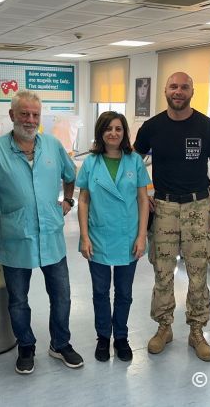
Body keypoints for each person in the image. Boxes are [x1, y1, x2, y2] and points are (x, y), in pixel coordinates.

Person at [0, 90, 83, 374]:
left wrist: (68, 200)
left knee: (62, 296)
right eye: (24, 114)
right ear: (12, 115)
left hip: (51, 236)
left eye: (35, 114)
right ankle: (25, 346)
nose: (30, 120)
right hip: (15, 238)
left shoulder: (53, 146)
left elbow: (70, 175)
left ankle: (60, 343)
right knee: (18, 300)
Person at [134, 71, 210, 361]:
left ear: (192, 91)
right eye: (173, 86)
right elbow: (132, 165)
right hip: (163, 207)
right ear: (165, 90)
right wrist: (144, 196)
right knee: (163, 272)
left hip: (198, 207)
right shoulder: (151, 127)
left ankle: (197, 331)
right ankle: (164, 327)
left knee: (199, 273)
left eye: (184, 87)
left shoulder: (207, 126)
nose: (178, 91)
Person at [76, 111, 150, 362]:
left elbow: (143, 200)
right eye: (108, 128)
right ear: (101, 132)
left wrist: (142, 236)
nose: (113, 133)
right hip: (98, 235)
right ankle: (103, 337)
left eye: (118, 129)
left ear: (124, 133)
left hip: (128, 236)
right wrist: (84, 237)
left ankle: (120, 337)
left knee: (124, 292)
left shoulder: (134, 161)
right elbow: (83, 200)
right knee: (100, 292)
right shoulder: (91, 163)